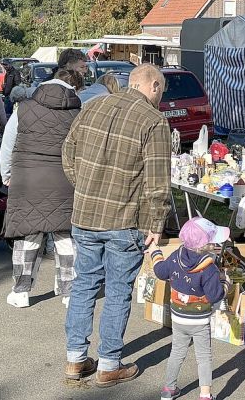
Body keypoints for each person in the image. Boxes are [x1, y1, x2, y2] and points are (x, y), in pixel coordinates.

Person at [61, 63, 171, 387]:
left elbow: (68, 153)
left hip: (85, 214)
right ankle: (109, 363)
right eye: (161, 92)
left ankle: (75, 360)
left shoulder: (93, 106)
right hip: (125, 219)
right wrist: (157, 222)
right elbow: (158, 181)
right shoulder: (153, 120)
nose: (160, 98)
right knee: (118, 290)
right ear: (152, 86)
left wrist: (83, 187)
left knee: (84, 285)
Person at [0, 69, 83, 308]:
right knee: (65, 236)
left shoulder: (24, 108)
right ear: (72, 89)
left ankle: (21, 291)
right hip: (65, 180)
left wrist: (7, 175)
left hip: (27, 179)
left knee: (28, 236)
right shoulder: (78, 112)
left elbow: (8, 144)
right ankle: (68, 290)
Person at [152, 217, 230, 400]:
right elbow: (215, 295)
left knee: (177, 352)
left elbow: (160, 271)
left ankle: (168, 389)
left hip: (178, 317)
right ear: (207, 245)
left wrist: (155, 254)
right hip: (200, 321)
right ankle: (204, 394)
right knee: (203, 357)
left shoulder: (175, 257)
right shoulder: (209, 269)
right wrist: (226, 282)